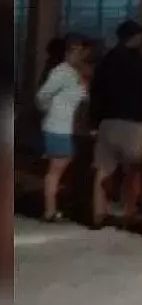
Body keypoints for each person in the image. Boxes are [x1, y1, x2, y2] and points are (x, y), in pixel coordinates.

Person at [88, 20, 142, 230]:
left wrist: (94, 121)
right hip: (135, 124)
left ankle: (98, 215)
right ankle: (128, 213)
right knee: (134, 172)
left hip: (107, 122)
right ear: (135, 37)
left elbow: (96, 93)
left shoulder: (106, 61)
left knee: (102, 170)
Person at [35, 37, 88, 222]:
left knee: (59, 168)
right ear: (67, 52)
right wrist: (50, 111)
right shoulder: (61, 72)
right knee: (56, 169)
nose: (80, 54)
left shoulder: (73, 73)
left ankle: (52, 207)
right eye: (76, 50)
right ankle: (50, 210)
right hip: (58, 126)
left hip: (64, 126)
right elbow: (42, 95)